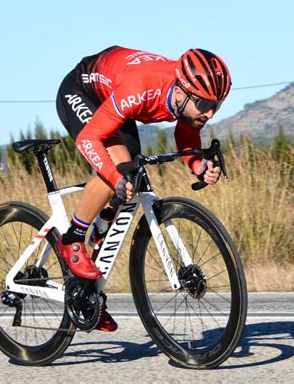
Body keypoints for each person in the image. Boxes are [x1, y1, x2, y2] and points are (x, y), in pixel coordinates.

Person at [55, 46, 231, 331]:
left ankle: (88, 288)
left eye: (217, 105)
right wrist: (113, 176)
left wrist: (199, 165)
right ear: (183, 91)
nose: (210, 113)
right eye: (203, 104)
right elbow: (89, 139)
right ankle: (72, 239)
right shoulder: (142, 89)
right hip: (82, 90)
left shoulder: (185, 96)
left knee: (129, 179)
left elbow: (186, 132)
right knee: (117, 170)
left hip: (115, 94)